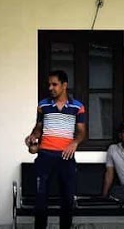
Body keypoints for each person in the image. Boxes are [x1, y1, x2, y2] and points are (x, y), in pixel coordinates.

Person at [24, 70, 87, 229]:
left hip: (66, 157)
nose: (50, 88)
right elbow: (38, 128)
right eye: (49, 85)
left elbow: (81, 132)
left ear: (64, 85)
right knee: (40, 200)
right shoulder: (43, 105)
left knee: (67, 200)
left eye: (54, 84)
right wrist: (32, 137)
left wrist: (75, 143)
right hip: (44, 155)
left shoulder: (77, 106)